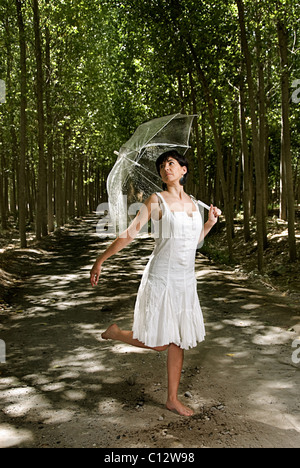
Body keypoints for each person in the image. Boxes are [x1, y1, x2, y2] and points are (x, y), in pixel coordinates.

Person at [90, 150, 221, 417]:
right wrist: (101, 259)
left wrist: (209, 223)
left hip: (185, 281)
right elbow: (130, 233)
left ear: (183, 170)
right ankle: (116, 333)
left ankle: (172, 399)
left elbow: (193, 242)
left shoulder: (195, 203)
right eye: (162, 166)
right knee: (161, 342)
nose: (165, 168)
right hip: (162, 277)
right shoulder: (156, 200)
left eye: (171, 163)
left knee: (178, 340)